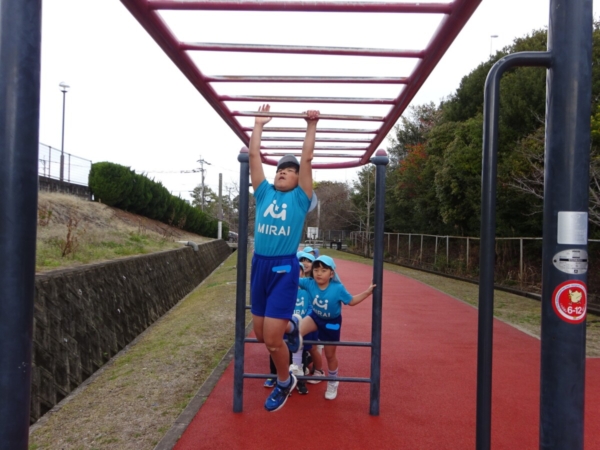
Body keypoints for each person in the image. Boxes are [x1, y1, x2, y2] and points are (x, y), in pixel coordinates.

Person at [249, 103, 320, 412]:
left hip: (282, 268)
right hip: (259, 265)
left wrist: (311, 126)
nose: (282, 172)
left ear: (298, 179)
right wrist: (258, 125)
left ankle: (284, 381)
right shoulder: (264, 193)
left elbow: (306, 159)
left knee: (271, 339)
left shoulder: (300, 199)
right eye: (280, 169)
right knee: (259, 333)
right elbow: (254, 157)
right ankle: (292, 327)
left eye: (289, 171)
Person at [298, 255, 375, 400]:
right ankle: (296, 366)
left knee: (330, 355)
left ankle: (333, 381)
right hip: (315, 317)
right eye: (316, 270)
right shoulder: (309, 283)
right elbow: (291, 279)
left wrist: (368, 292)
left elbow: (351, 301)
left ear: (331, 273)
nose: (319, 273)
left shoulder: (338, 288)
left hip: (331, 323)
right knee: (296, 331)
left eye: (323, 270)